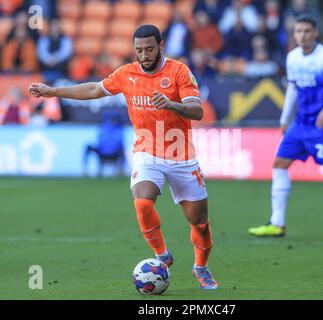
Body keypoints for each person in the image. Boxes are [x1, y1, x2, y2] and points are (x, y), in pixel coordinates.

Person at [29, 25, 218, 289]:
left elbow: (197, 111)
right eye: (139, 50)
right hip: (146, 151)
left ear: (161, 46)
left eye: (149, 49)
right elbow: (95, 89)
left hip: (181, 154)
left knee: (199, 223)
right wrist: (53, 91)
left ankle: (201, 267)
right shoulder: (126, 74)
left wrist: (172, 104)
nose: (144, 54)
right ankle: (162, 254)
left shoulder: (179, 71)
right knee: (142, 202)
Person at [248, 15, 323, 241]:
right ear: (294, 34)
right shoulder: (293, 58)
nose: (303, 36)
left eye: (307, 31)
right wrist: (285, 118)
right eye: (299, 31)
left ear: (315, 33)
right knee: (279, 163)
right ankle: (277, 223)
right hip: (300, 123)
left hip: (322, 125)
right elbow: (293, 89)